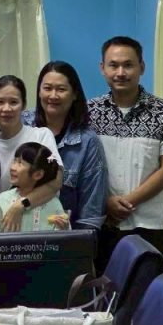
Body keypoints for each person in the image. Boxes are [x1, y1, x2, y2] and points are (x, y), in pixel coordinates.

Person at [87, 36, 163, 264]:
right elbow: (84, 168)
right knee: (103, 285)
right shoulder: (89, 112)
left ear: (142, 67)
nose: (120, 72)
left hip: (149, 224)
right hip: (102, 222)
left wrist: (127, 202)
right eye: (113, 65)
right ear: (102, 68)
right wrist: (107, 202)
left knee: (149, 284)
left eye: (128, 65)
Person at [23, 61, 108, 232]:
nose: (53, 95)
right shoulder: (22, 125)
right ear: (39, 91)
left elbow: (91, 214)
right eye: (47, 88)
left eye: (61, 89)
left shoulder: (88, 142)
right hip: (19, 234)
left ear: (75, 94)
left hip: (65, 238)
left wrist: (76, 244)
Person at [0, 75, 64, 231]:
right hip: (8, 230)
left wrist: (21, 205)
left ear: (23, 105)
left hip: (44, 226)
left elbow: (56, 180)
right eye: (0, 102)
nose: (6, 109)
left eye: (14, 102)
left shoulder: (41, 135)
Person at [0, 142, 69, 233]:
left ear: (38, 174)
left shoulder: (53, 205)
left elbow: (60, 238)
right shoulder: (3, 200)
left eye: (20, 163)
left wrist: (63, 230)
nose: (12, 167)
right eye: (14, 161)